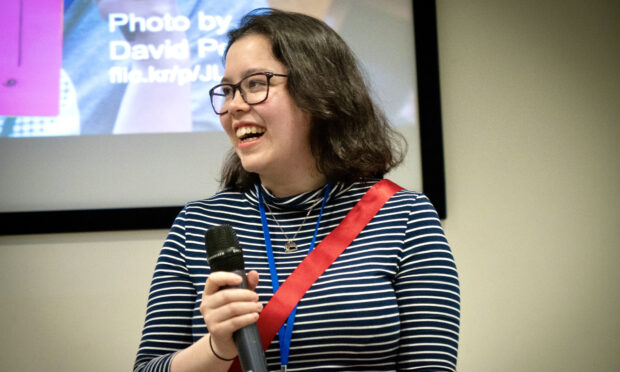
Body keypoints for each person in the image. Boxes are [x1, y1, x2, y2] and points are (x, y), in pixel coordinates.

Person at [134, 8, 460, 372]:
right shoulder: (196, 225)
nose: (233, 106)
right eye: (226, 91)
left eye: (255, 84)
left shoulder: (405, 216)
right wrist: (217, 348)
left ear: (318, 90)